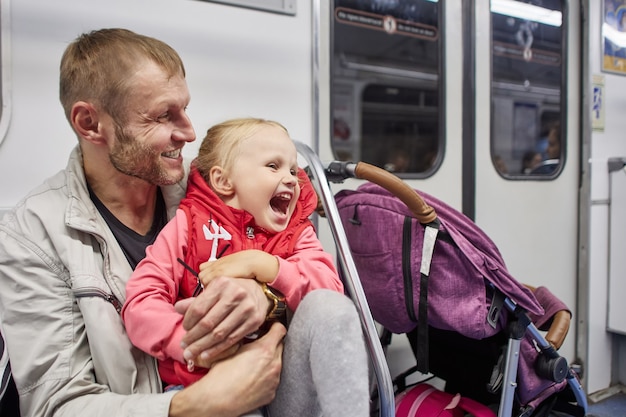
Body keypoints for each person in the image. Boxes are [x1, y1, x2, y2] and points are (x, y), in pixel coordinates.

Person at [0, 28, 369, 417]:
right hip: (190, 390)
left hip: (268, 373)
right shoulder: (32, 237)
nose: (190, 132)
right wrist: (197, 400)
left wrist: (266, 298)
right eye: (163, 115)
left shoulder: (214, 189)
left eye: (185, 108)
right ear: (91, 123)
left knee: (330, 309)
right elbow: (54, 406)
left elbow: (312, 276)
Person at [121, 117, 366, 416]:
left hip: (279, 383)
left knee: (331, 306)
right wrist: (192, 344)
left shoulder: (295, 232)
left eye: (292, 169)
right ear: (224, 181)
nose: (291, 178)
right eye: (273, 166)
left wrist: (267, 266)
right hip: (208, 385)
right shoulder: (189, 226)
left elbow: (328, 290)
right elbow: (141, 299)